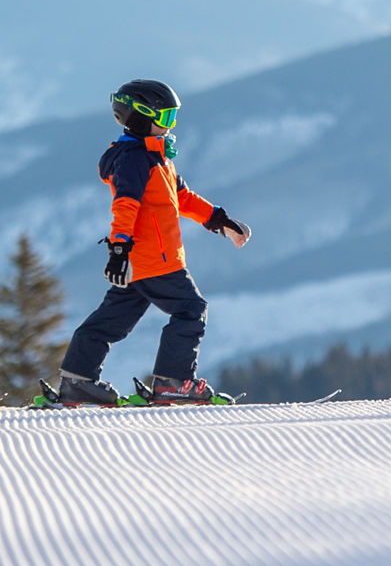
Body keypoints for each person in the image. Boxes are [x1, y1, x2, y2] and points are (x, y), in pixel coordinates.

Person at [55, 80, 251, 405]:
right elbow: (125, 204)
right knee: (191, 309)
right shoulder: (134, 159)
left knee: (110, 321)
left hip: (142, 262)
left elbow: (182, 197)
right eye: (165, 117)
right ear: (141, 117)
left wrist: (220, 221)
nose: (170, 125)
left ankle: (78, 379)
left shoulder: (156, 157)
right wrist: (118, 248)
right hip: (154, 259)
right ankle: (173, 381)